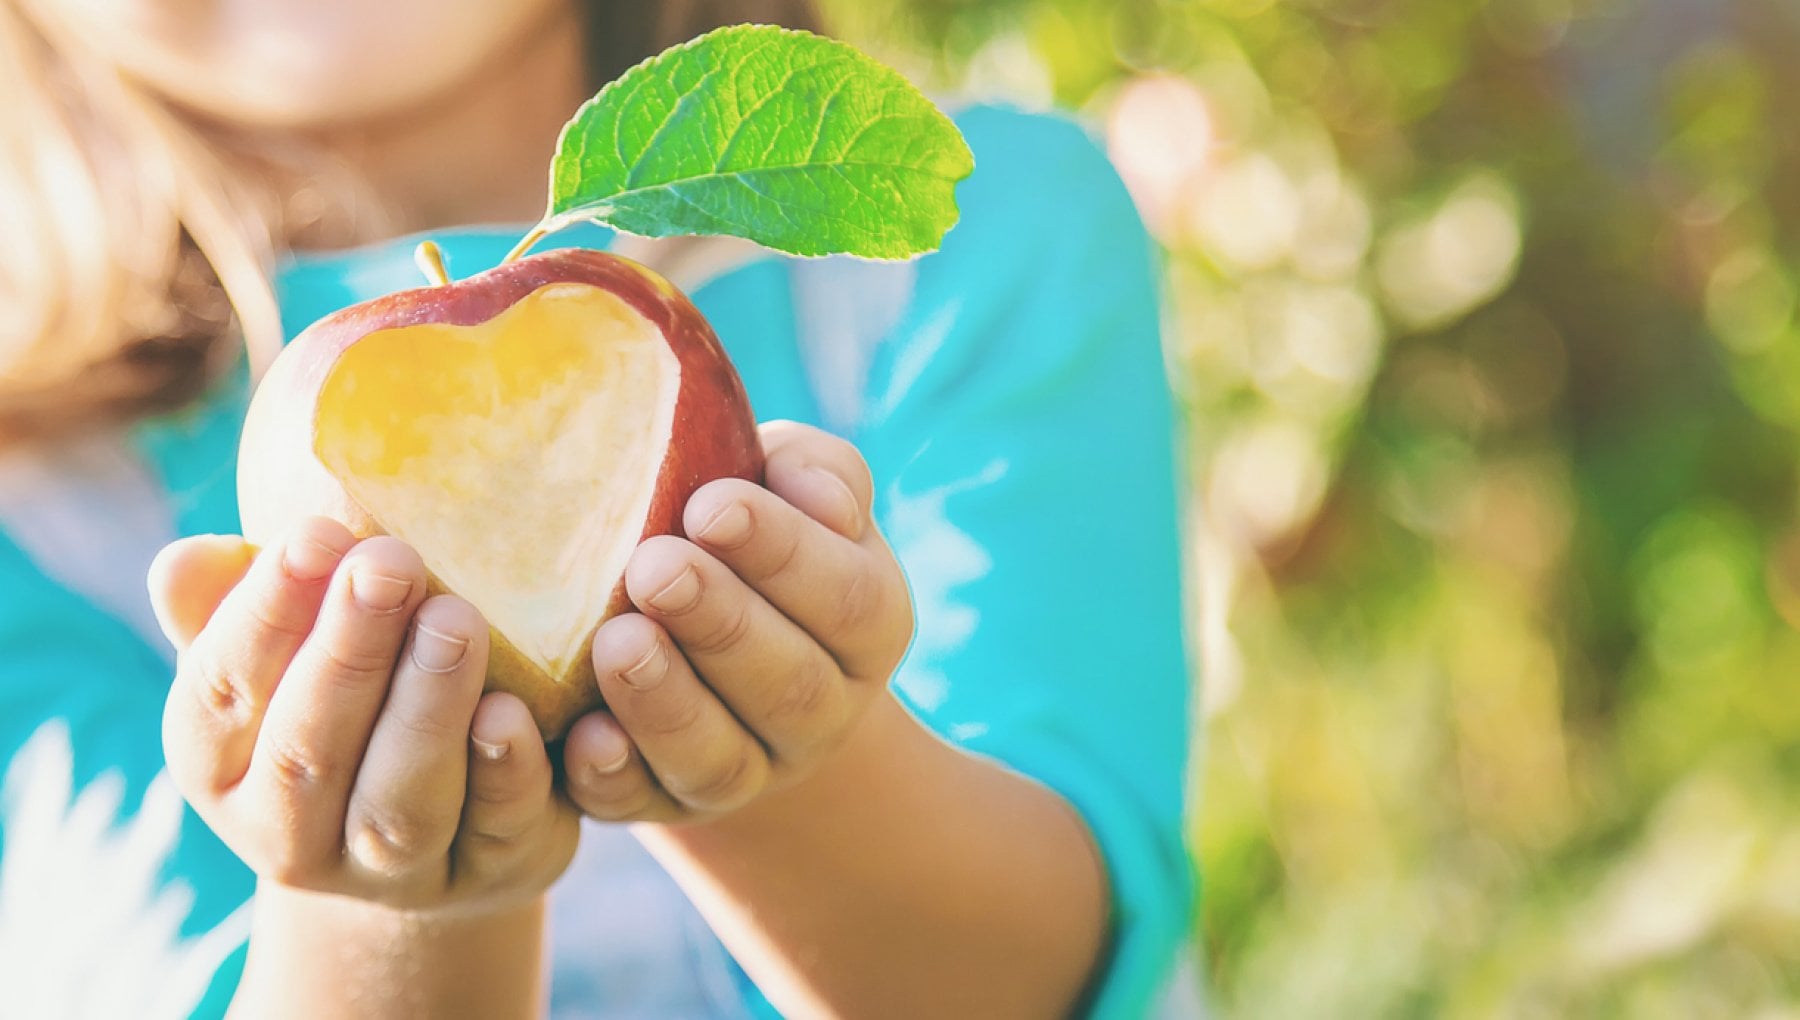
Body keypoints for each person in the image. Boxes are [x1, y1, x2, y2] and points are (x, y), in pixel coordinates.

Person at [0, 0, 1195, 1016]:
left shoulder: (965, 244)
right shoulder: (34, 505)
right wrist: (388, 896)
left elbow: (1035, 969)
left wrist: (774, 755)